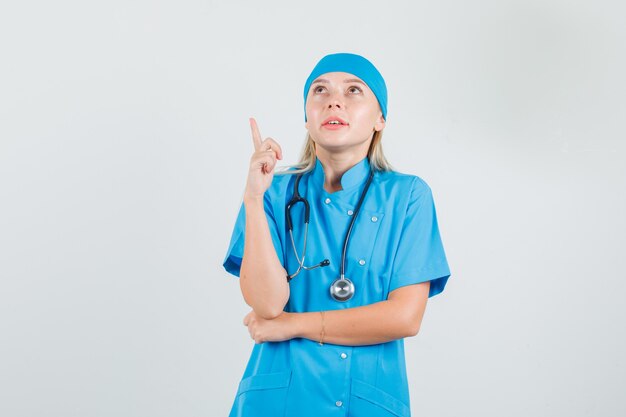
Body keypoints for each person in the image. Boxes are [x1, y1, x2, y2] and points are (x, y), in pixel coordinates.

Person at [222, 52, 451, 417]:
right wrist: (253, 197)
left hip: (365, 401)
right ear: (307, 117)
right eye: (320, 90)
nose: (334, 99)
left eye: (354, 90)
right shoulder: (273, 192)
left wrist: (291, 326)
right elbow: (266, 305)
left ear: (380, 119)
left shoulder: (408, 196)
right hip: (277, 400)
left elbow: (405, 317)